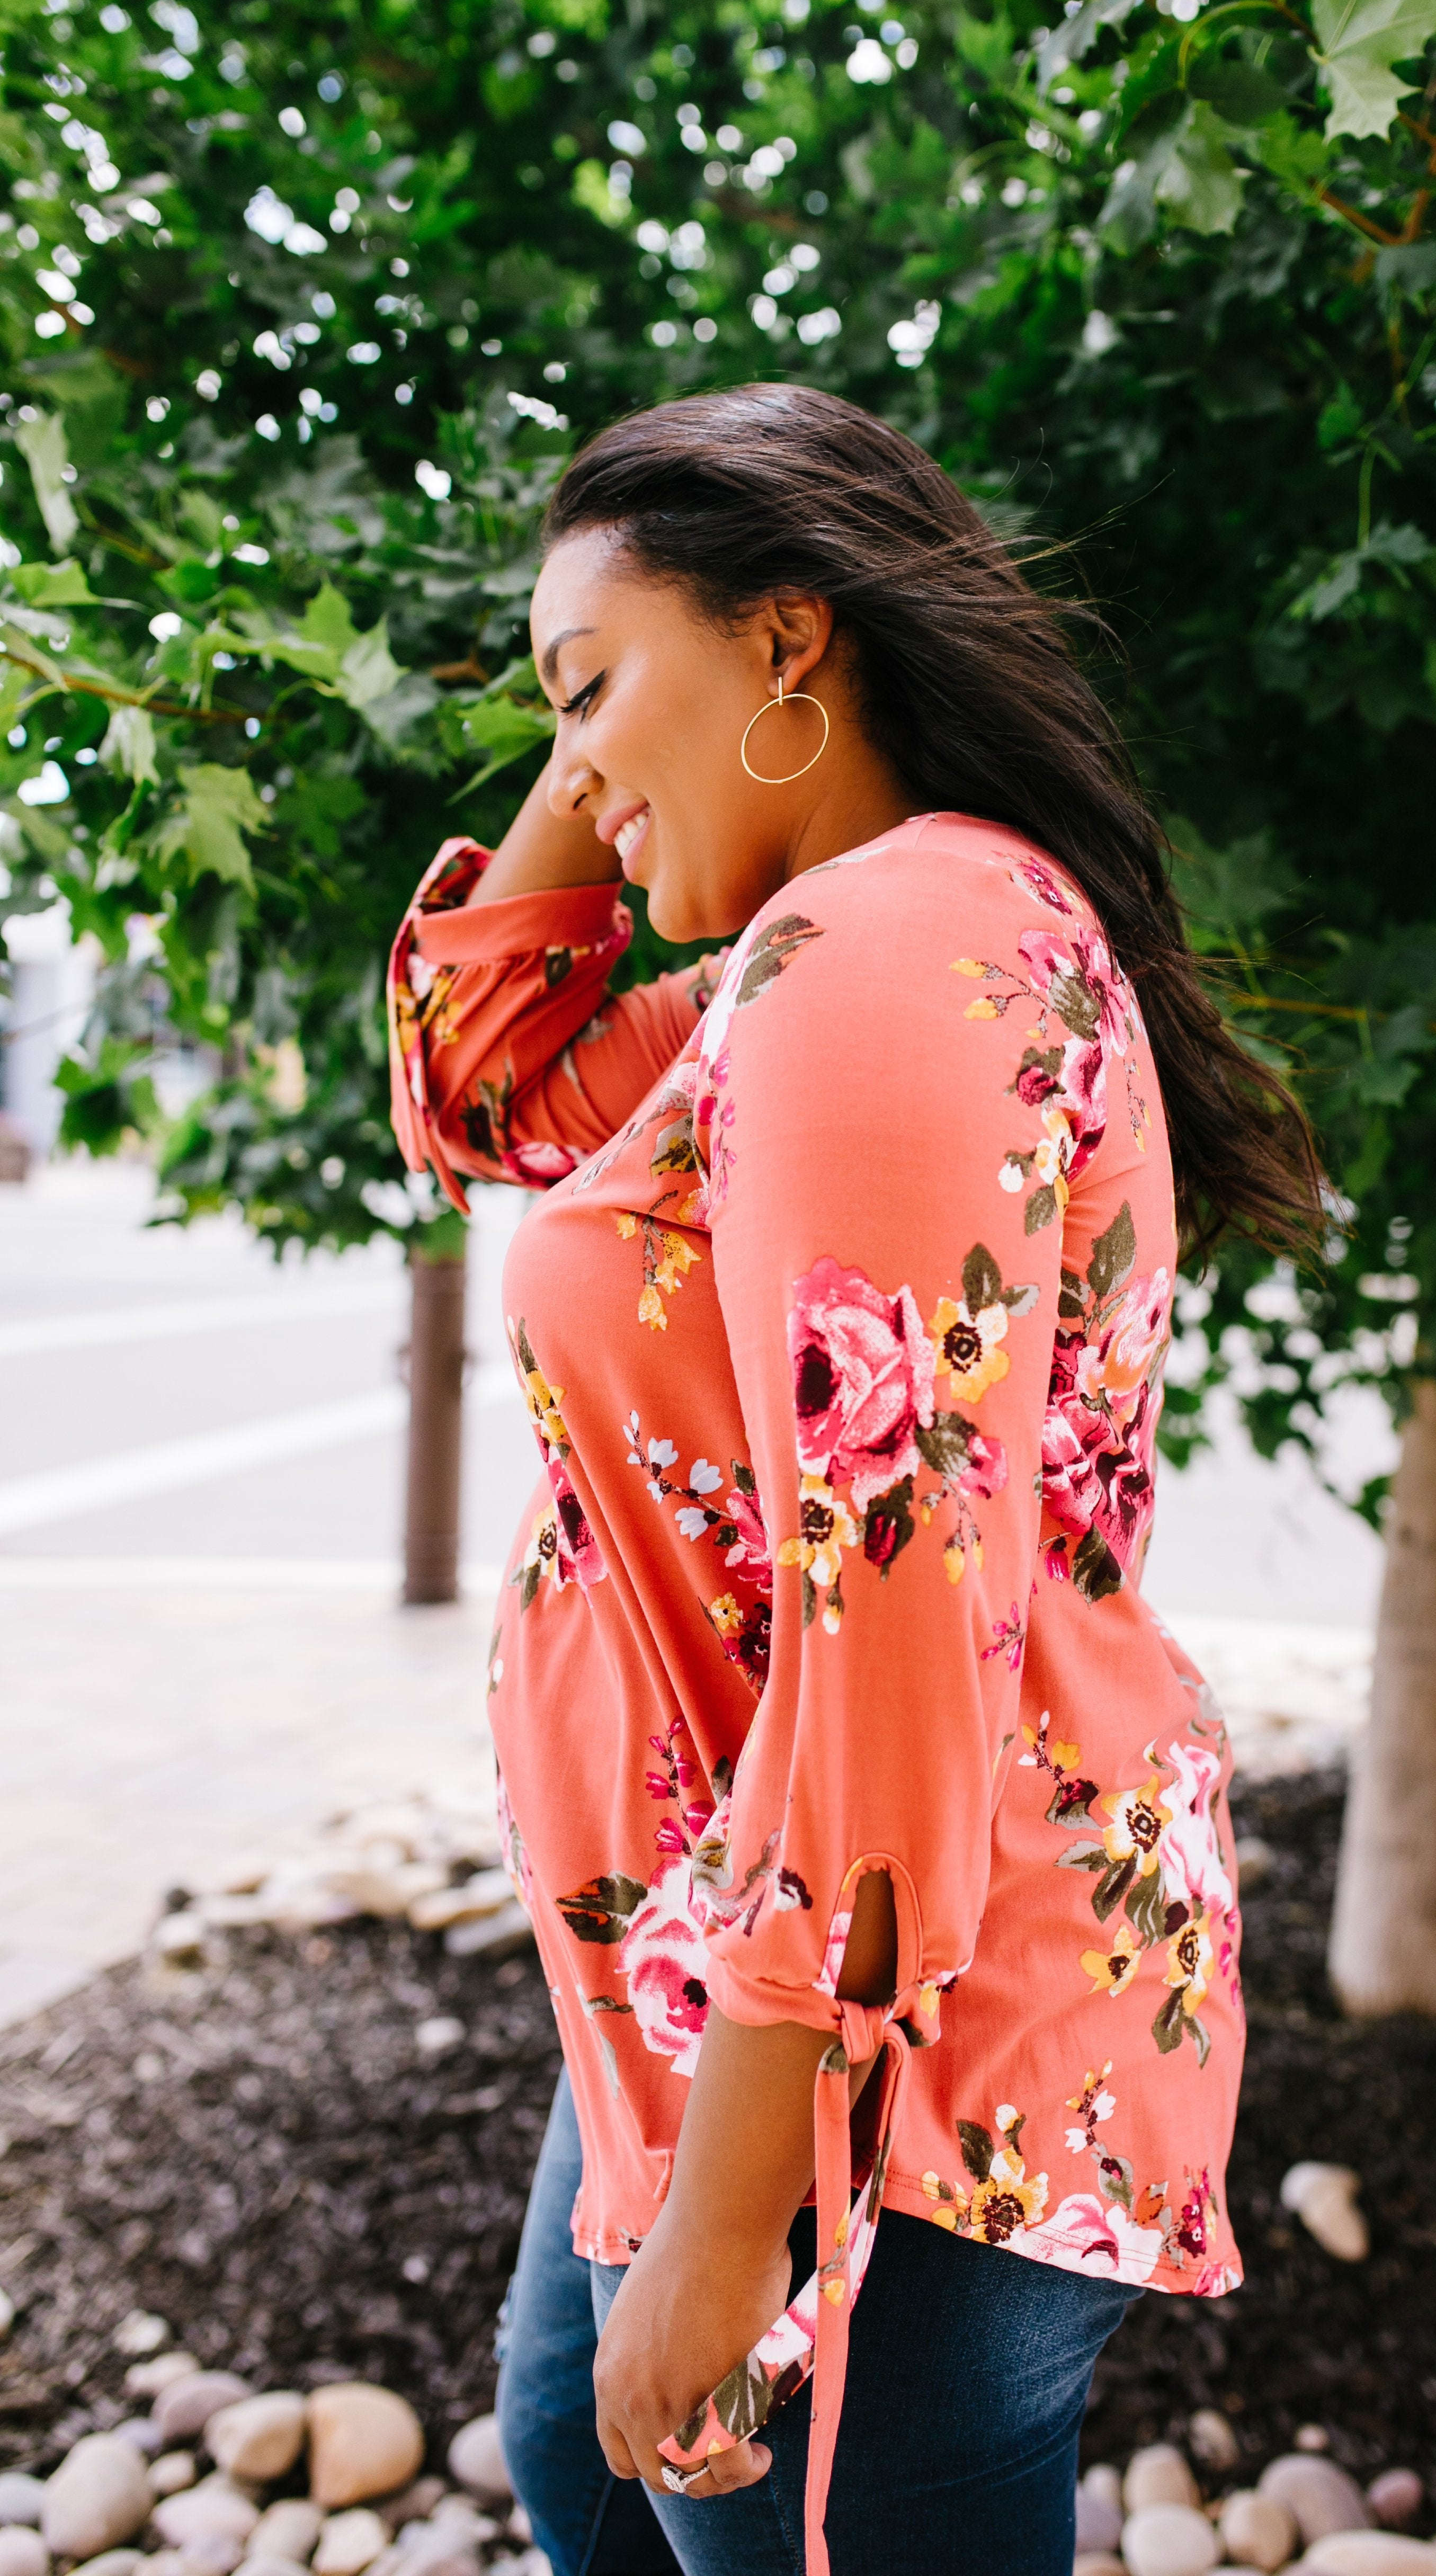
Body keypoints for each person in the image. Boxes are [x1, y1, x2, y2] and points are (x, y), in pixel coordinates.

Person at [387, 382, 1321, 2576]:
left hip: (884, 2026)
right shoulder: (805, 959)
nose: (578, 770)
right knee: (575, 2465)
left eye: (595, 687)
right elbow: (477, 1078)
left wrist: (736, 2216)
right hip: (734, 1947)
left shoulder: (890, 952)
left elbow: (895, 1611)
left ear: (794, 644)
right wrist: (618, 705)